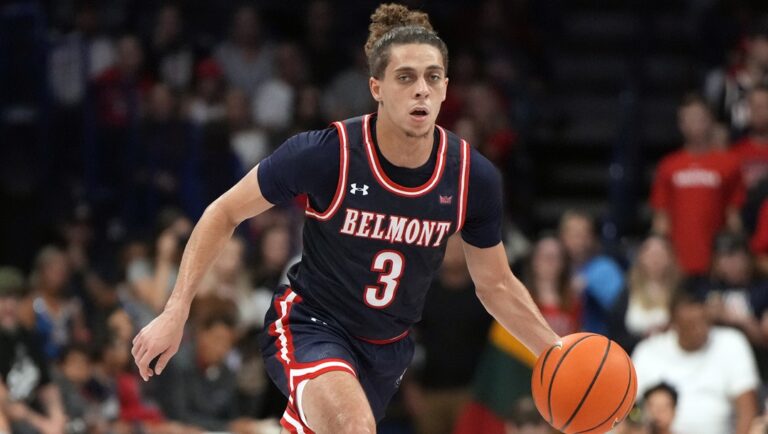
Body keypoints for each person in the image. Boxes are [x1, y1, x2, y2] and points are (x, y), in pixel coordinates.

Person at [131, 4, 560, 434]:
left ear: (446, 88)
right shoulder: (327, 154)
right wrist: (176, 310)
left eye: (432, 77)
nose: (421, 90)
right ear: (376, 86)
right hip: (312, 324)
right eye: (405, 77)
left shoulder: (472, 177)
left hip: (387, 350)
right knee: (353, 426)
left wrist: (556, 353)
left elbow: (495, 284)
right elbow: (224, 211)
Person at [632, 289, 758, 434]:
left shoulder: (731, 343)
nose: (699, 330)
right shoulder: (647, 351)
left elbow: (748, 411)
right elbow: (629, 410)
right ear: (674, 322)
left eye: (704, 322)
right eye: (691, 324)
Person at [650, 95, 745, 276]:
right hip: (677, 262)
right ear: (681, 124)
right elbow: (661, 217)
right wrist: (659, 252)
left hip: (716, 263)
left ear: (711, 121)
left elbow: (733, 215)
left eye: (700, 118)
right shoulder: (668, 165)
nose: (695, 124)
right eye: (688, 119)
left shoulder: (730, 163)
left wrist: (736, 253)